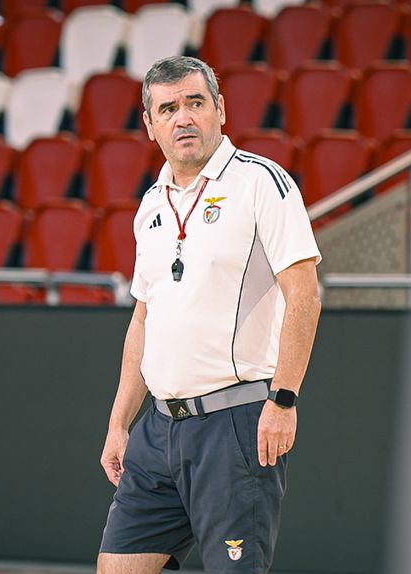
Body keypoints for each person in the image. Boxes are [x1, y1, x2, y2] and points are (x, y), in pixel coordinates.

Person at [96, 56, 322, 574]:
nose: (184, 118)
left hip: (235, 425)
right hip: (158, 428)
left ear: (220, 109)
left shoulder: (262, 183)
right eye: (168, 108)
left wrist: (283, 399)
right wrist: (118, 423)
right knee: (118, 567)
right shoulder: (150, 205)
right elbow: (143, 321)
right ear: (150, 125)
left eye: (195, 103)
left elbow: (304, 296)